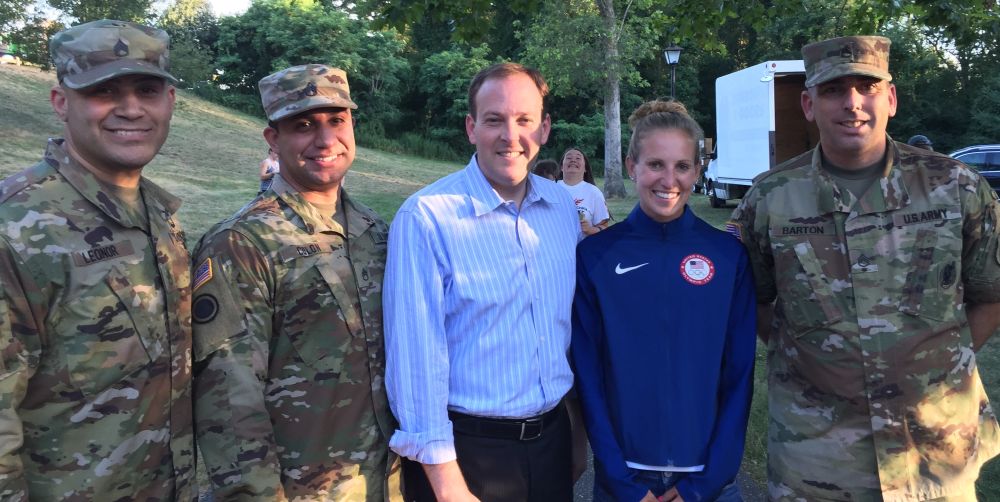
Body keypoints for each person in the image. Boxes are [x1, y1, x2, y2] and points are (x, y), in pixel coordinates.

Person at [728, 35, 1000, 500]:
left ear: (890, 98)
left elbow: (991, 292)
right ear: (809, 105)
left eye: (867, 87)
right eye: (833, 90)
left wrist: (937, 360)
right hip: (816, 457)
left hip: (935, 451)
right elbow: (751, 296)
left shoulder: (956, 187)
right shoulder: (771, 197)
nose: (852, 103)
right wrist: (813, 355)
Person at [0, 19, 194, 500]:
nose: (131, 109)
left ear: (168, 102)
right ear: (61, 103)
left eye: (147, 89)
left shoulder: (157, 213)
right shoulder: (18, 225)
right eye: (104, 90)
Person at [191, 64, 398, 500]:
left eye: (336, 121)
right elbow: (228, 401)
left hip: (387, 482)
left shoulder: (375, 230)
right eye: (303, 126)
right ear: (273, 139)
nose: (325, 140)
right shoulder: (242, 242)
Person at [383, 62, 579, 501]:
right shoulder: (427, 217)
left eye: (525, 120)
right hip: (468, 455)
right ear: (472, 128)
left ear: (544, 129)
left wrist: (574, 436)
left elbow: (565, 331)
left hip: (551, 442)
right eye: (494, 120)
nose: (511, 136)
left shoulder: (563, 209)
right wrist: (447, 484)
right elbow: (415, 359)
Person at [573, 100, 755, 502]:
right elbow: (588, 377)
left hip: (708, 484)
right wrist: (621, 482)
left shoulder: (727, 257)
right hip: (625, 482)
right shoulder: (596, 257)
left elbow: (740, 376)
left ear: (697, 171)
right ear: (631, 166)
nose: (668, 179)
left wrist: (703, 485)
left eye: (682, 166)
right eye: (655, 164)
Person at [558, 147, 610, 238]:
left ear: (585, 168)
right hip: (553, 250)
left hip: (581, 251)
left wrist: (590, 230)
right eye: (569, 158)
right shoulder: (550, 188)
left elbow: (604, 227)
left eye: (578, 158)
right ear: (562, 167)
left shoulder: (594, 192)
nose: (573, 160)